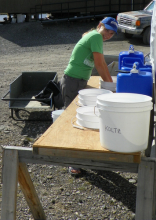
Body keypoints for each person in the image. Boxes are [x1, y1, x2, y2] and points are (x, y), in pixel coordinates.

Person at [60, 17, 118, 175]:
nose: (108, 35)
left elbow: (102, 64)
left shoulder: (92, 34)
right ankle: (73, 162)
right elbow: (100, 65)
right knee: (74, 122)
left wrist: (110, 85)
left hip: (76, 81)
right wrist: (112, 87)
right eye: (107, 30)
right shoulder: (96, 36)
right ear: (100, 25)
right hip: (73, 82)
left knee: (83, 120)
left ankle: (86, 158)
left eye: (112, 34)